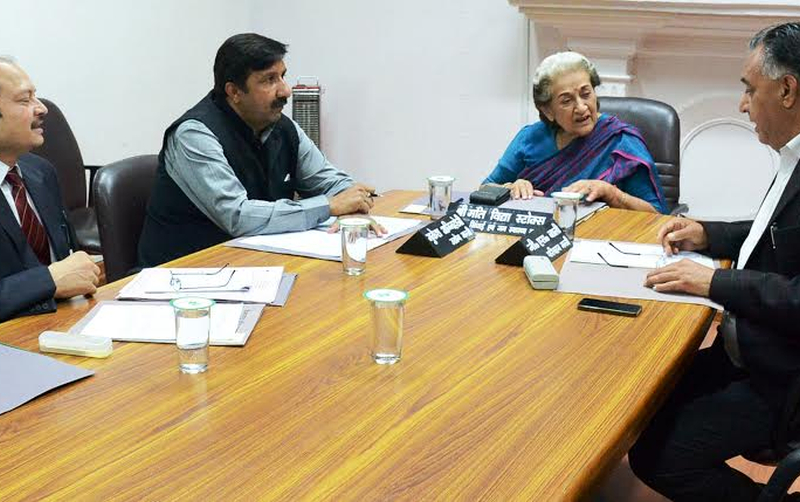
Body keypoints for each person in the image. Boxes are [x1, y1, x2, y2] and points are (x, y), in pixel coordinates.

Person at [629, 23, 800, 501]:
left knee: (658, 457)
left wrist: (714, 282)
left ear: (787, 90)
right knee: (637, 393)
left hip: (783, 381)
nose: (743, 105)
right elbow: (776, 232)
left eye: (749, 90)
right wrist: (708, 232)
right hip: (750, 353)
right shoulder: (793, 155)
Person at [138, 33, 380, 267]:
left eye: (282, 76)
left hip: (254, 266)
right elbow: (237, 216)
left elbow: (332, 183)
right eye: (269, 80)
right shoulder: (194, 135)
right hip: (183, 276)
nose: (285, 91)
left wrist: (352, 209)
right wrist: (328, 206)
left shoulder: (282, 127)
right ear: (234, 92)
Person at [481, 51, 667, 213]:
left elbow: (656, 215)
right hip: (541, 236)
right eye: (566, 101)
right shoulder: (530, 138)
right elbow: (484, 189)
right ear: (548, 110)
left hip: (603, 237)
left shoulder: (621, 141)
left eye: (586, 94)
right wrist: (510, 188)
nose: (581, 107)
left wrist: (612, 194)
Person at [0, 57, 100, 322]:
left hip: (67, 320)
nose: (42, 108)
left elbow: (69, 262)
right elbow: (58, 275)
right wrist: (49, 280)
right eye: (25, 100)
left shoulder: (40, 172)